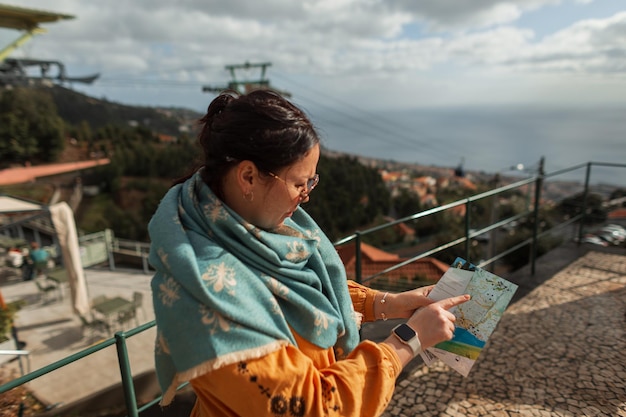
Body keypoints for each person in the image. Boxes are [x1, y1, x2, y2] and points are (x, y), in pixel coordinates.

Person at [148, 89, 469, 417]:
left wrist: (388, 303)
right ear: (248, 177)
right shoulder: (208, 294)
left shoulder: (233, 219)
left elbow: (298, 295)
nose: (306, 197)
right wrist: (407, 340)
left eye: (311, 182)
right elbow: (314, 407)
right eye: (300, 183)